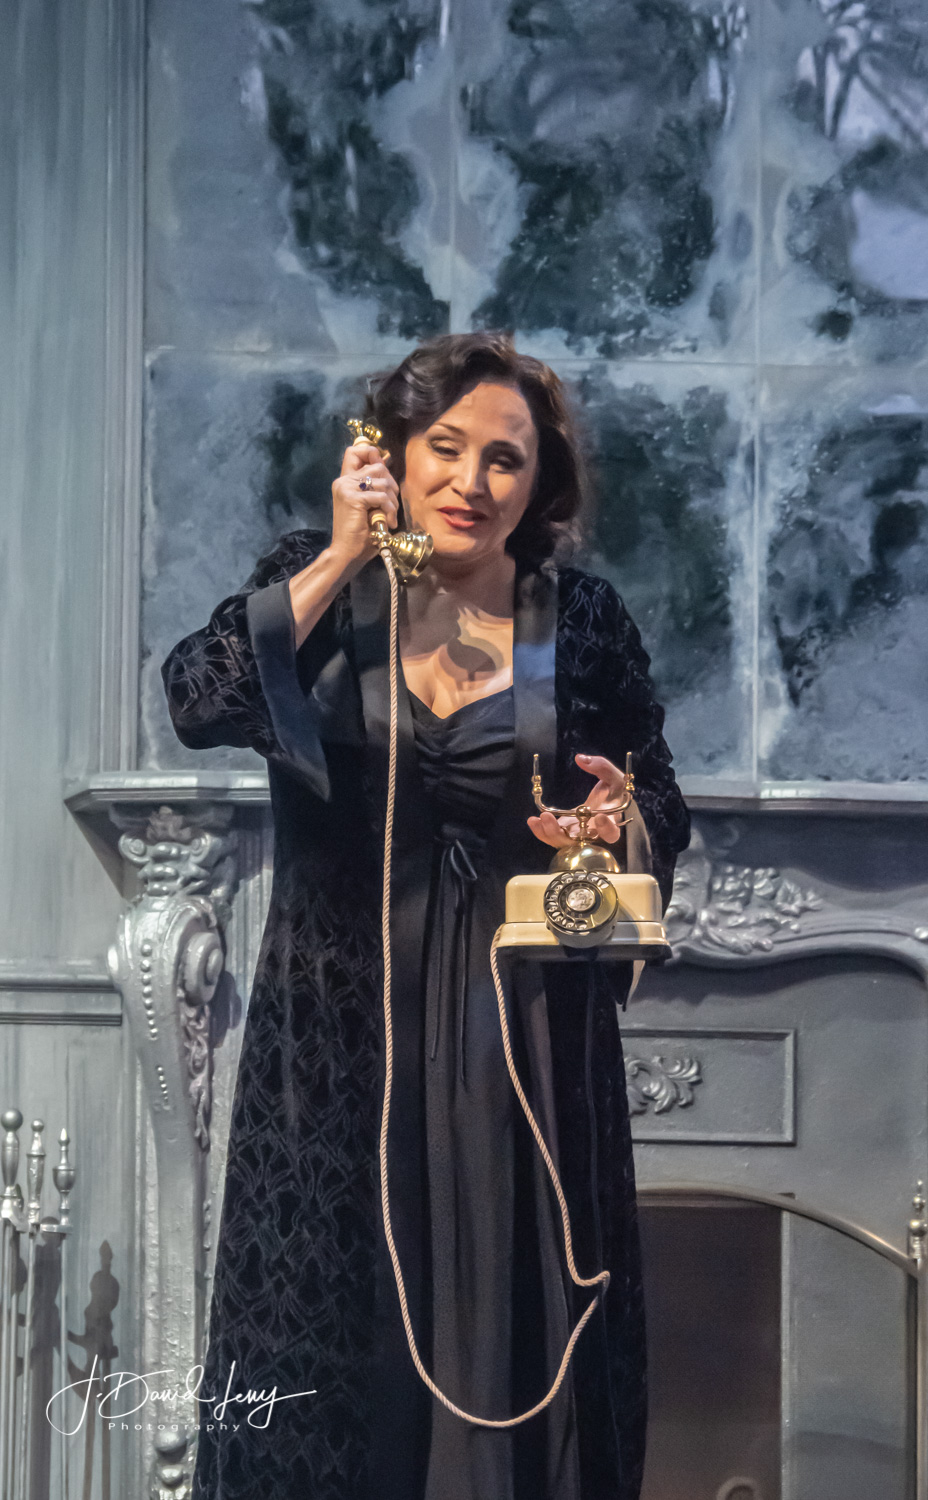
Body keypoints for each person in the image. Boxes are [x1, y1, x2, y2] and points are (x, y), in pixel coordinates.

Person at [162, 330, 691, 1500]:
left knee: (525, 1314)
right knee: (333, 1344)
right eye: (444, 448)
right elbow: (200, 697)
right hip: (336, 1039)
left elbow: (658, 795)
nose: (471, 481)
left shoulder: (581, 620)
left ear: (538, 482)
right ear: (390, 453)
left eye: (505, 459)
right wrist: (341, 556)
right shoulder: (322, 585)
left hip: (526, 1045)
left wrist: (614, 819)